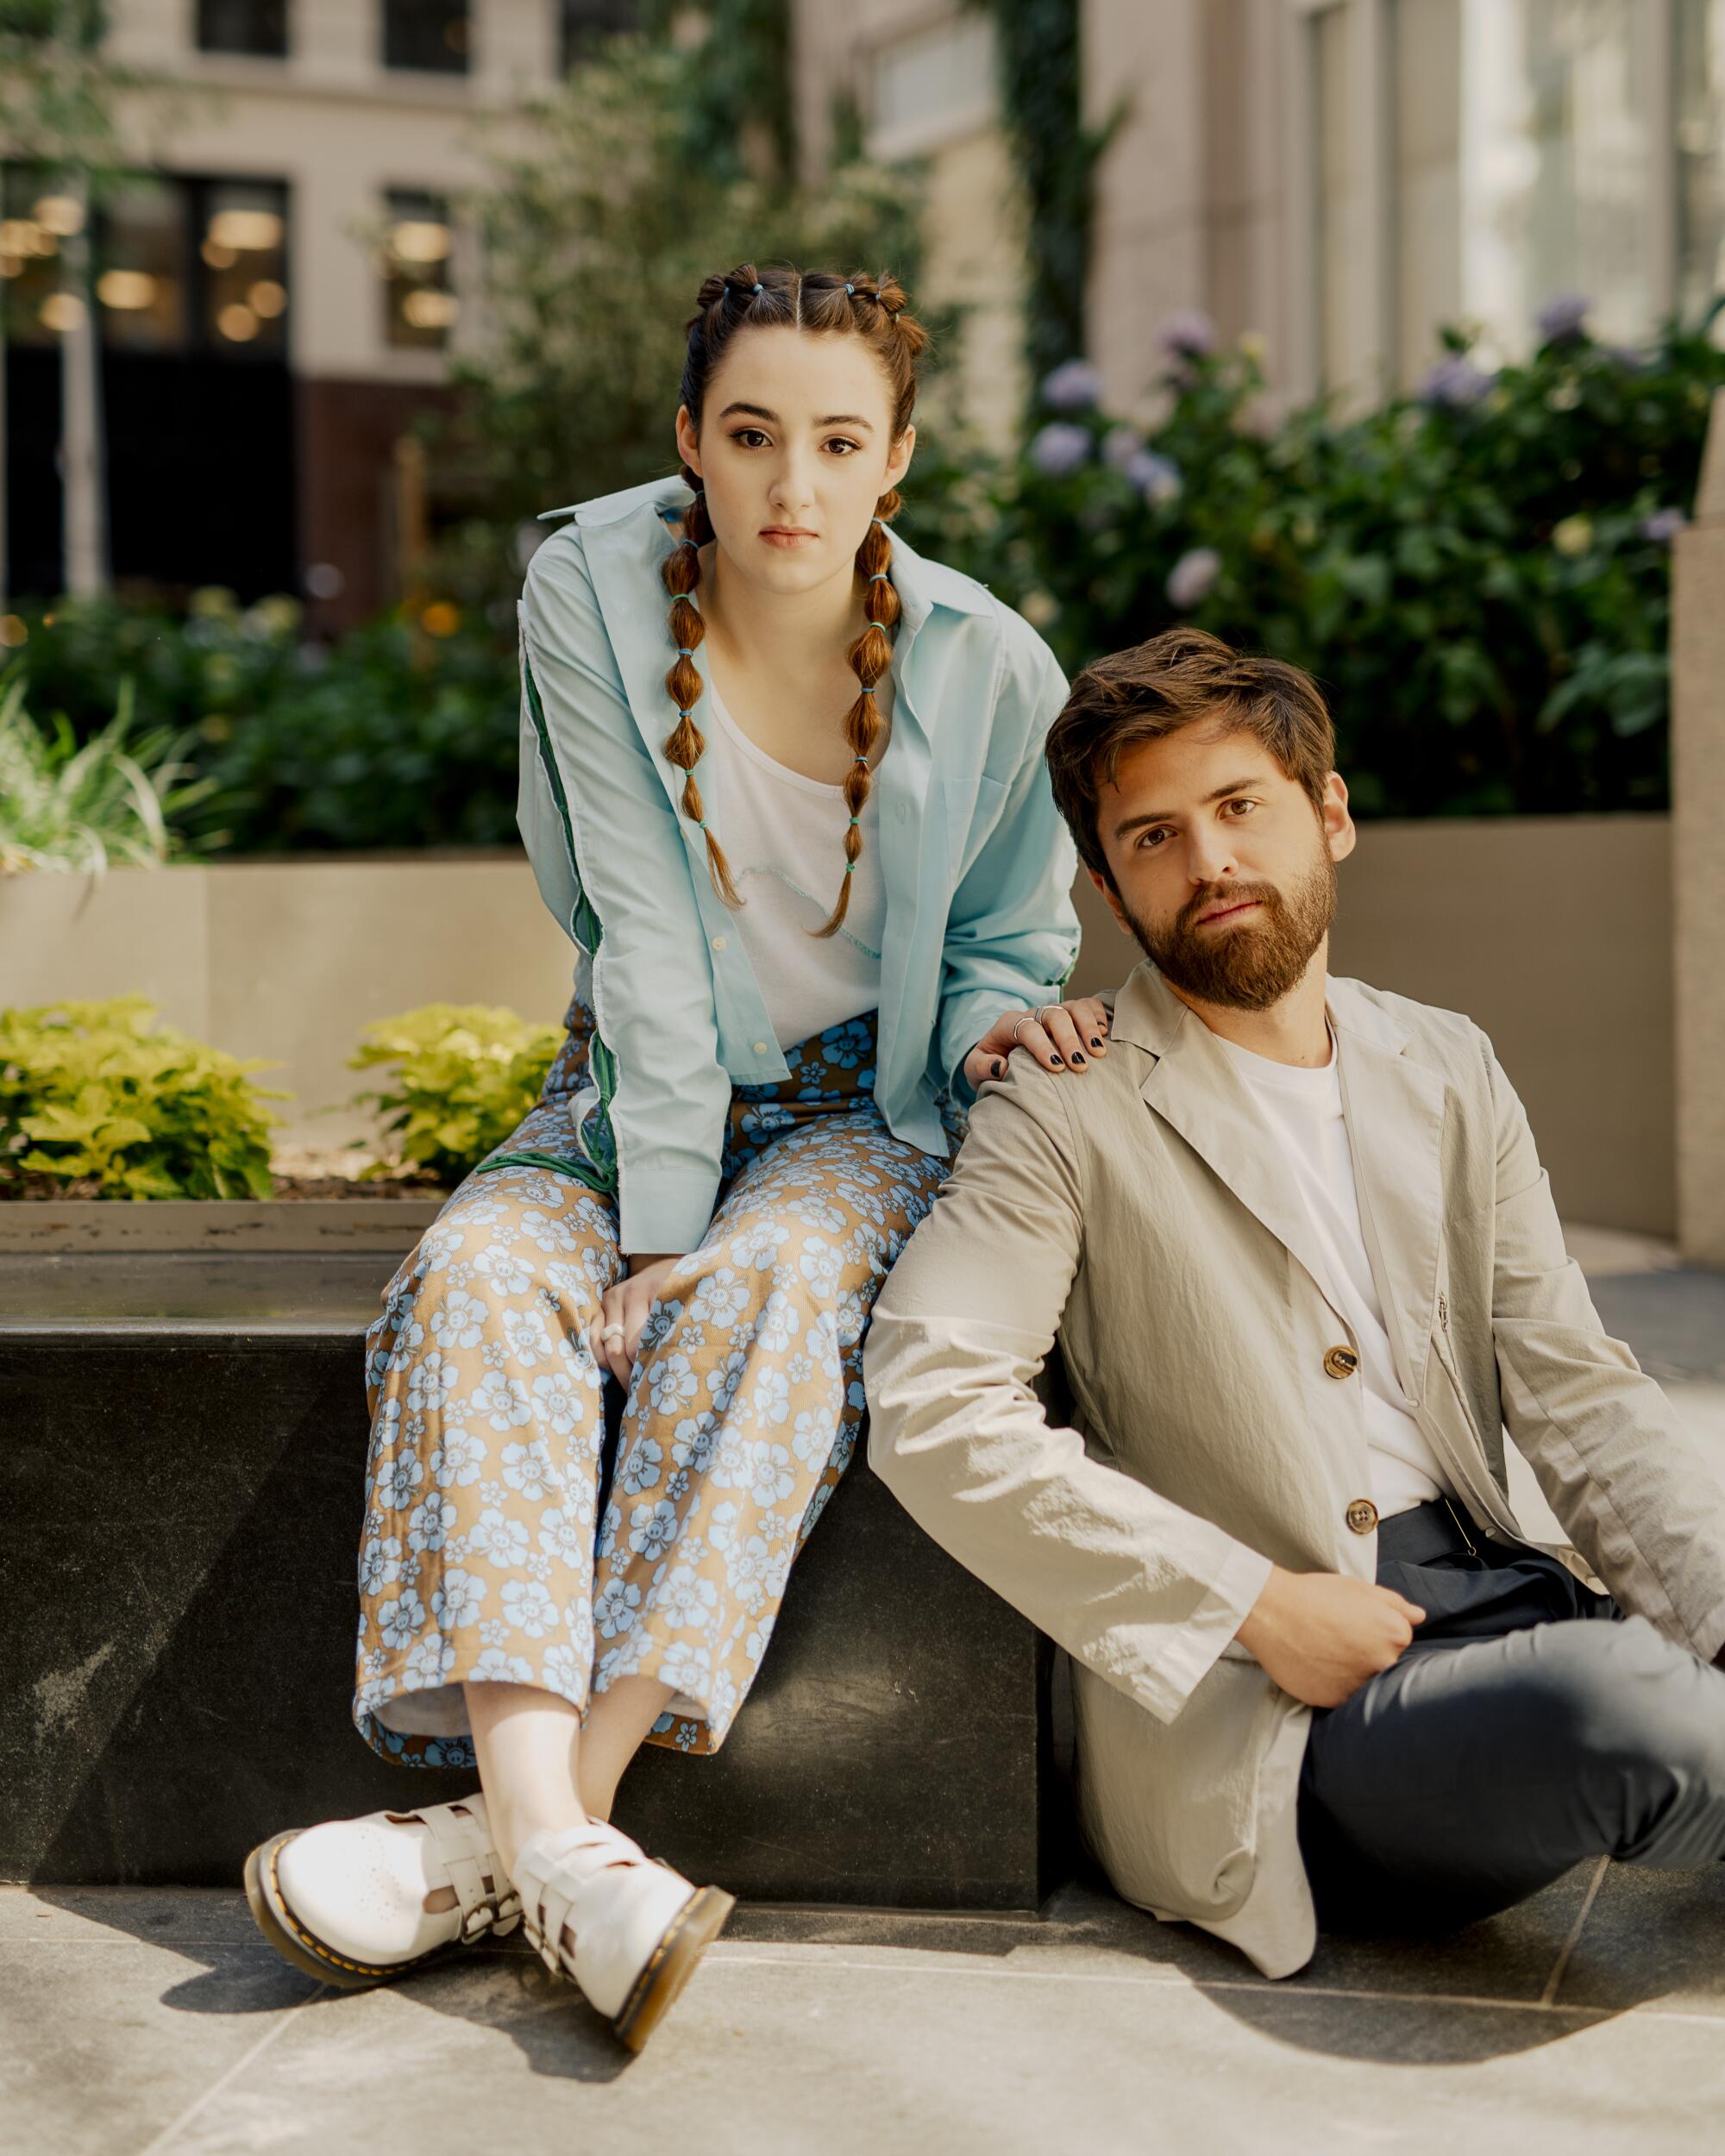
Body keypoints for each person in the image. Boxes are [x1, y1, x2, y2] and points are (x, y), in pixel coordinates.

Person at [242, 262, 1106, 2048]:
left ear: (899, 461)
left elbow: (1008, 949)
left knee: (781, 1288)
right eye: (751, 433)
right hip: (634, 1083)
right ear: (688, 443)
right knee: (481, 1274)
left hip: (855, 1115)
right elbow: (632, 921)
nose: (793, 483)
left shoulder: (991, 663)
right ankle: (564, 1845)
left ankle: (519, 1835)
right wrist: (646, 1222)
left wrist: (986, 1039)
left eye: (837, 441)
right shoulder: (590, 588)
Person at [862, 625, 1725, 1980]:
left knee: (1664, 1666)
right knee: (1626, 1712)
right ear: (1107, 886)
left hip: (1503, 1606)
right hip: (1281, 1713)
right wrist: (1250, 1601)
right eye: (1152, 838)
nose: (1208, 862)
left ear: (1330, 815)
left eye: (1239, 808)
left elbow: (1576, 1387)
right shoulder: (1060, 1109)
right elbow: (928, 1404)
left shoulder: (1445, 1062)